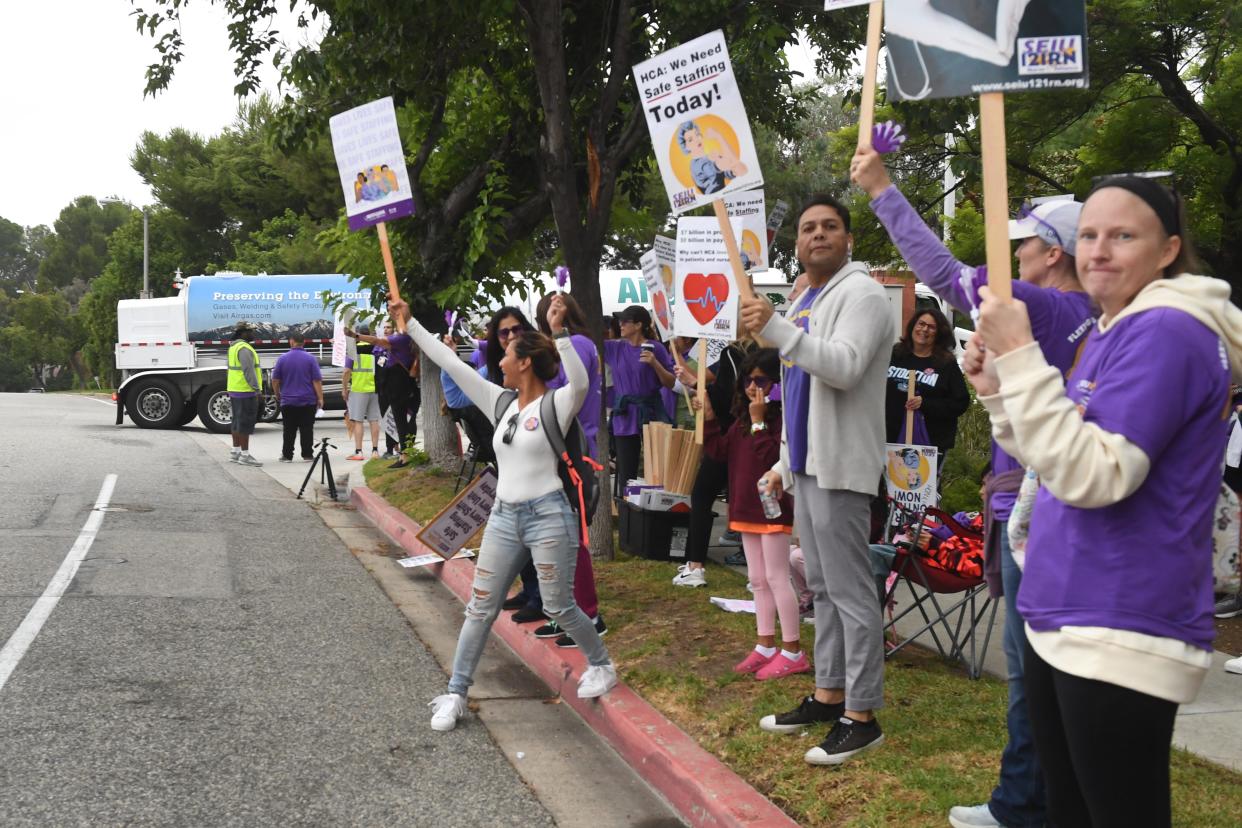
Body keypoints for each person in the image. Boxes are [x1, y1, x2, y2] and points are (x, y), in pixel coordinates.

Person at [963, 174, 1242, 827]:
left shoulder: (1169, 330)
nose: (1099, 250)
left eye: (1123, 235)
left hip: (1121, 621)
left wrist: (1021, 352)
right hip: (1068, 610)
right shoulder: (1113, 328)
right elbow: (1052, 457)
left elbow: (1096, 474)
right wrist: (1001, 388)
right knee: (1071, 814)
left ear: (1168, 248)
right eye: (1088, 233)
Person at [852, 146, 1095, 828]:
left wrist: (880, 189)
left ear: (1054, 253)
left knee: (1029, 667)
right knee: (1044, 669)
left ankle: (1022, 804)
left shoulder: (1042, 305)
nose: (1014, 255)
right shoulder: (1091, 315)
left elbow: (938, 270)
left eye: (1025, 243)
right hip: (1043, 493)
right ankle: (1043, 798)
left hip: (1038, 499)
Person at [389, 296, 617, 731]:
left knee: (559, 605)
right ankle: (455, 693)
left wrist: (562, 333)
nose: (501, 357)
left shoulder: (557, 404)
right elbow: (450, 364)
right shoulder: (501, 402)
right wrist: (410, 325)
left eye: (510, 353)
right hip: (504, 516)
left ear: (526, 363)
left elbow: (584, 384)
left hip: (549, 515)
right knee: (480, 607)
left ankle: (602, 664)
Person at [742, 194, 892, 765]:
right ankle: (829, 694)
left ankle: (863, 714)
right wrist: (783, 463)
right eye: (808, 228)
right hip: (807, 466)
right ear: (797, 243)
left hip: (843, 467)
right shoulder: (807, 296)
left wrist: (780, 329)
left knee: (852, 594)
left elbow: (845, 365)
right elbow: (798, 393)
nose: (818, 235)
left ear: (848, 238)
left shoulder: (864, 294)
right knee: (824, 592)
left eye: (830, 226)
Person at [701, 347, 805, 679]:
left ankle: (793, 649)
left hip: (772, 507)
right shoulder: (744, 417)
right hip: (745, 507)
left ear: (777, 382)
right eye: (748, 379)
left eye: (760, 380)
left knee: (776, 577)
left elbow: (773, 458)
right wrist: (708, 420)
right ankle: (765, 644)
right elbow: (720, 452)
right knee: (757, 579)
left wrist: (760, 421)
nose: (751, 386)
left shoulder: (783, 419)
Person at [531, 292, 607, 648]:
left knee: (573, 539)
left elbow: (564, 392)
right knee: (557, 539)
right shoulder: (569, 345)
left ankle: (589, 615)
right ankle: (567, 614)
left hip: (574, 452)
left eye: (555, 313)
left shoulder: (576, 343)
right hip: (557, 451)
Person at [671, 339, 747, 587]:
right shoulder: (758, 351)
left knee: (703, 495)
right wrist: (694, 384)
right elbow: (707, 379)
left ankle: (695, 566)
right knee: (747, 500)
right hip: (752, 433)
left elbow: (726, 395)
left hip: (730, 433)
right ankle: (760, 568)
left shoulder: (734, 353)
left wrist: (701, 392)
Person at [604, 305, 675, 496]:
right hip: (624, 414)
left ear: (638, 325)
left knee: (657, 473)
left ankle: (653, 516)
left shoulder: (656, 348)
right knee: (626, 473)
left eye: (625, 321)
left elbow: (670, 382)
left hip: (650, 411)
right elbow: (589, 339)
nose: (620, 324)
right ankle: (628, 516)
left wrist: (655, 363)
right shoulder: (615, 347)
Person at [885, 307, 970, 454]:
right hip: (889, 439)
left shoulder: (945, 363)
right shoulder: (896, 354)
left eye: (931, 327)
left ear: (939, 333)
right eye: (921, 324)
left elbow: (960, 402)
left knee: (919, 478)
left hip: (929, 444)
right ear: (913, 326)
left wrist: (926, 404)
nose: (924, 329)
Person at [351, 301, 420, 468]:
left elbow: (377, 341)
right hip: (407, 383)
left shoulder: (401, 338)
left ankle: (404, 455)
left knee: (400, 419)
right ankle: (405, 451)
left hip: (398, 382)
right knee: (406, 419)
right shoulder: (412, 337)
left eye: (395, 317)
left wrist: (357, 336)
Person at [271, 333, 323, 462]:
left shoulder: (282, 359)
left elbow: (275, 380)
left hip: (288, 400)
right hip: (308, 400)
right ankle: (307, 455)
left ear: (291, 342)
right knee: (307, 429)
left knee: (289, 429)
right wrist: (320, 398)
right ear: (303, 342)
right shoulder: (311, 359)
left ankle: (287, 455)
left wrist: (277, 393)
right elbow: (316, 380)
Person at [227, 321, 264, 467]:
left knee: (236, 421)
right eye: (251, 331)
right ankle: (245, 455)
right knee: (244, 424)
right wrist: (257, 389)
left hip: (235, 389)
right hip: (245, 390)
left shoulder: (234, 347)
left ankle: (235, 452)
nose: (253, 334)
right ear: (243, 333)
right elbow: (248, 371)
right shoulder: (244, 348)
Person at [343, 330, 381, 460]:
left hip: (358, 389)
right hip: (374, 389)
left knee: (358, 421)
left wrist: (344, 388)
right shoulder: (377, 349)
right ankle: (375, 451)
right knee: (374, 420)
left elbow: (347, 371)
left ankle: (358, 452)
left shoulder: (352, 350)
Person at [375, 320, 401, 459]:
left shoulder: (397, 346)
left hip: (396, 388)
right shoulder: (379, 348)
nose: (385, 330)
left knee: (397, 417)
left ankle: (400, 446)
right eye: (384, 327)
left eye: (388, 327)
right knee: (386, 419)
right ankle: (390, 448)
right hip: (382, 389)